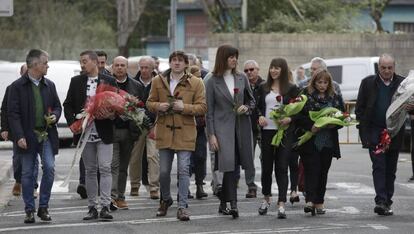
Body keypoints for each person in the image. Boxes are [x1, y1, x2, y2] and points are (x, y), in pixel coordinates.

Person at [147, 51, 207, 221]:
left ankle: (183, 206)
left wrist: (185, 107)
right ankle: (165, 199)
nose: (177, 63)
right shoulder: (157, 80)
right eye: (174, 60)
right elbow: (149, 103)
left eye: (180, 61)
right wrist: (159, 105)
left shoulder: (196, 82)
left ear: (186, 64)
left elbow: (202, 107)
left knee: (183, 170)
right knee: (164, 172)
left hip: (185, 131)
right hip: (165, 130)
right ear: (170, 63)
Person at [8, 49, 62, 223]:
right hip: (27, 136)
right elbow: (13, 114)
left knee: (49, 168)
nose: (48, 66)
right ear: (35, 65)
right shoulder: (16, 87)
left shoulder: (50, 85)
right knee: (27, 174)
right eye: (45, 63)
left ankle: (43, 207)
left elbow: (57, 106)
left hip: (46, 135)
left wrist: (55, 115)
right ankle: (29, 209)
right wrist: (19, 136)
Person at [63, 50, 117, 221]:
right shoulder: (76, 81)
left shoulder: (109, 80)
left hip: (104, 131)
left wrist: (111, 114)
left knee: (105, 168)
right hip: (85, 132)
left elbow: (117, 105)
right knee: (90, 170)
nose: (82, 64)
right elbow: (68, 104)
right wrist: (73, 123)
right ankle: (92, 206)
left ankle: (106, 206)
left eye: (84, 61)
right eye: (81, 61)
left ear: (94, 62)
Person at [205, 44, 255, 219]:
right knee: (228, 166)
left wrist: (246, 108)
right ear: (222, 58)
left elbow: (252, 102)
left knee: (235, 166)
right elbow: (208, 111)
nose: (234, 60)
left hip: (241, 127)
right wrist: (211, 135)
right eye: (231, 56)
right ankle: (233, 204)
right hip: (221, 130)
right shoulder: (211, 80)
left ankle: (223, 202)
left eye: (236, 56)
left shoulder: (242, 78)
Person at [355, 54, 405, 216]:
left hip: (395, 131)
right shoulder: (368, 83)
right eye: (383, 67)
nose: (386, 71)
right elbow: (360, 108)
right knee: (379, 166)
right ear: (379, 68)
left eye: (390, 67)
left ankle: (387, 200)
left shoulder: (403, 84)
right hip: (375, 131)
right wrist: (365, 129)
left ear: (394, 67)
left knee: (390, 168)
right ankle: (381, 200)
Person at [256, 58, 301, 219]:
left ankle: (281, 203)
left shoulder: (292, 88)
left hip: (284, 133)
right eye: (271, 68)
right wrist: (260, 117)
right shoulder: (263, 87)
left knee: (282, 167)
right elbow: (256, 107)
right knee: (266, 168)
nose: (274, 71)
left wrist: (290, 119)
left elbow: (299, 111)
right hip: (267, 132)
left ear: (283, 70)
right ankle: (266, 198)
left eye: (277, 68)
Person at [296, 69, 344, 216]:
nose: (322, 85)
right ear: (314, 82)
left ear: (329, 83)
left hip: (328, 141)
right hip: (310, 140)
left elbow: (342, 117)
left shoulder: (334, 97)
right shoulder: (305, 95)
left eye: (325, 82)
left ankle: (319, 202)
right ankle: (310, 201)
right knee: (311, 170)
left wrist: (333, 124)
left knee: (323, 172)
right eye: (319, 82)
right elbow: (297, 116)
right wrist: (312, 125)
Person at [110, 56, 144, 210]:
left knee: (123, 166)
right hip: (110, 130)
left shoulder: (136, 86)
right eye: (116, 65)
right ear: (112, 67)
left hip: (129, 131)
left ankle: (120, 197)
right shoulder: (106, 83)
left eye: (122, 65)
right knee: (113, 165)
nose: (119, 68)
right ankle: (111, 196)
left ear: (127, 67)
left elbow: (142, 108)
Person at [1, 64, 39, 198]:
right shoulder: (11, 88)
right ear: (21, 73)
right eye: (24, 73)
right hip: (17, 131)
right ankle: (18, 181)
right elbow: (5, 110)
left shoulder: (37, 88)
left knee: (34, 160)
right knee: (17, 160)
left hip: (34, 131)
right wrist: (4, 128)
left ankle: (33, 186)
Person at [130, 56, 160, 199]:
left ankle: (154, 186)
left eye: (146, 67)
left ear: (153, 69)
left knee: (153, 155)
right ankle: (135, 185)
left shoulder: (159, 83)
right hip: (138, 125)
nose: (143, 70)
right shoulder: (133, 83)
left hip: (154, 124)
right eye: (141, 67)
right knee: (135, 156)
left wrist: (157, 122)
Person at [242, 59, 263, 198]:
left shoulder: (266, 85)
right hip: (247, 126)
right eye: (246, 70)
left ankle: (266, 185)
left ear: (258, 69)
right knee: (248, 158)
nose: (249, 72)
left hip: (263, 128)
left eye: (252, 69)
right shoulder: (242, 85)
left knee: (266, 157)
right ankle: (251, 186)